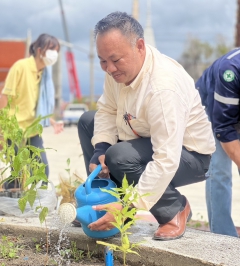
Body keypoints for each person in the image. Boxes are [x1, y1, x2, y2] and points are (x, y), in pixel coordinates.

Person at [78, 12, 215, 240]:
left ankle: (174, 209)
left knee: (119, 156)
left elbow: (166, 158)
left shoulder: (163, 88)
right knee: (87, 122)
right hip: (145, 141)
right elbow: (108, 110)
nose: (109, 68)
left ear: (139, 46)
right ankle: (104, 204)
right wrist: (99, 149)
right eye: (103, 61)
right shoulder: (117, 71)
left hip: (189, 156)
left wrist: (129, 207)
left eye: (115, 60)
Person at [0, 33, 63, 187]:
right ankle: (8, 195)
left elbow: (36, 105)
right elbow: (4, 97)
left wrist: (52, 121)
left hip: (32, 129)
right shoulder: (20, 67)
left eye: (57, 51)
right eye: (52, 50)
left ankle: (22, 200)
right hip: (14, 129)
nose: (55, 55)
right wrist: (2, 130)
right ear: (40, 50)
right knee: (21, 174)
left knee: (42, 171)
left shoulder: (44, 75)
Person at [196, 49, 240, 237]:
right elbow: (224, 127)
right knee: (219, 169)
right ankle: (223, 237)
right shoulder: (229, 70)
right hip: (212, 107)